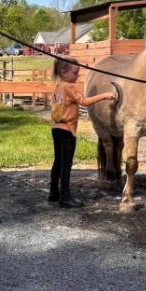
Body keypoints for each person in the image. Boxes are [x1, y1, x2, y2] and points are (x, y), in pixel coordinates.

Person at [50, 57, 116, 208]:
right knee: (66, 164)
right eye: (75, 73)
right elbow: (84, 102)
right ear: (64, 72)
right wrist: (105, 95)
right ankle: (65, 198)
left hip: (56, 129)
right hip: (67, 131)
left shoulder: (58, 86)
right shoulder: (68, 87)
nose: (77, 76)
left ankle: (54, 193)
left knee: (58, 161)